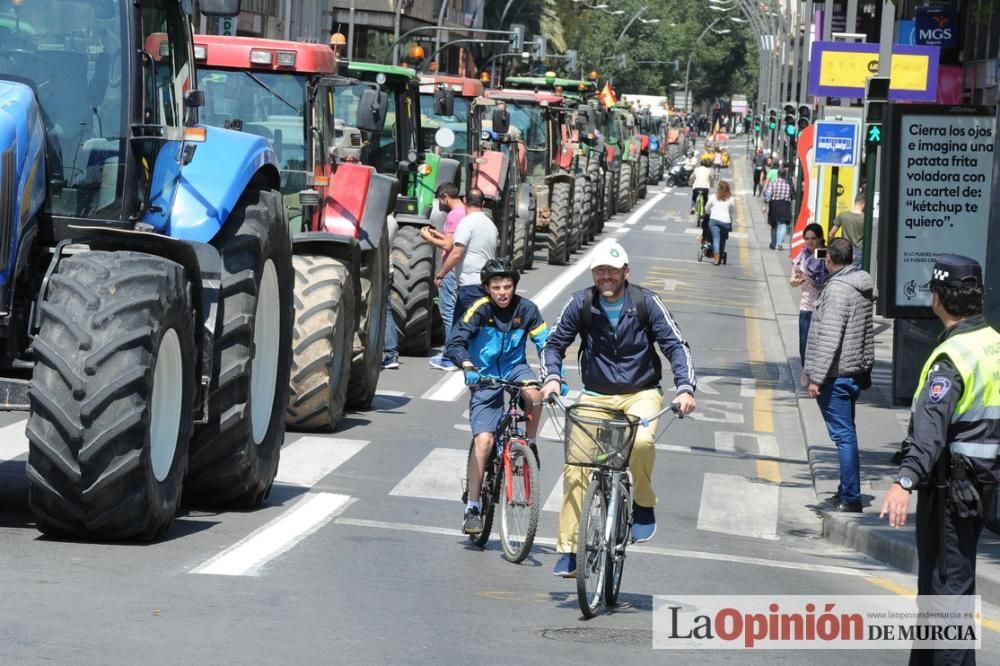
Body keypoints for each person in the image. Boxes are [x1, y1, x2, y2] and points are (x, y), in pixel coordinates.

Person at [541, 241, 697, 577]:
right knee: (576, 467)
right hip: (596, 395)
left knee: (641, 443)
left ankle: (642, 502)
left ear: (626, 272)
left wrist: (685, 387)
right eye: (600, 272)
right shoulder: (581, 303)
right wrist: (552, 377)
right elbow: (554, 343)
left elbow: (675, 345)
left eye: (612, 271)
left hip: (641, 393)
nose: (606, 277)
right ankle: (570, 549)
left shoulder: (646, 302)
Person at [880, 255, 999, 666]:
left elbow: (930, 432)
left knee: (943, 596)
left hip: (950, 491)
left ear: (940, 298)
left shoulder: (953, 358)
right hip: (980, 487)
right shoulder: (992, 343)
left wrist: (904, 481)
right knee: (953, 594)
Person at [446, 258, 548, 534]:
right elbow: (455, 343)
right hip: (484, 373)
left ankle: (531, 442)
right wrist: (467, 366)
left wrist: (553, 375)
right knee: (484, 441)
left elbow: (545, 343)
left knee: (535, 395)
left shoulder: (527, 310)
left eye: (507, 286)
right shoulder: (478, 309)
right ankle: (473, 507)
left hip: (516, 368)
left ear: (515, 286)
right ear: (487, 288)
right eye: (496, 287)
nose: (503, 292)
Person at [804, 238, 875, 513]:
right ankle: (845, 490)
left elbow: (829, 338)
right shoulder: (861, 284)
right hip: (854, 371)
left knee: (844, 437)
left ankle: (851, 498)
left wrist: (816, 378)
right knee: (848, 434)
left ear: (829, 260)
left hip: (836, 375)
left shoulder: (836, 290)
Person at [435, 187, 497, 339]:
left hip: (470, 283)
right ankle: (452, 354)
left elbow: (456, 253)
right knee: (461, 324)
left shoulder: (466, 223)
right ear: (482, 203)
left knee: (469, 327)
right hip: (485, 282)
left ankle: (460, 357)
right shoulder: (491, 225)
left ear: (464, 201)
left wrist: (440, 274)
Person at [421, 183, 466, 371]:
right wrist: (437, 234)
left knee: (448, 313)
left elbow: (448, 246)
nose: (441, 203)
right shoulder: (465, 212)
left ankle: (449, 354)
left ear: (445, 197)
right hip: (461, 270)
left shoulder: (453, 215)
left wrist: (428, 238)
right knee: (458, 314)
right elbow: (454, 240)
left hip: (449, 270)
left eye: (441, 199)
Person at [790, 223, 829, 369]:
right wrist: (796, 281)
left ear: (820, 239)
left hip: (823, 307)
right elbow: (792, 281)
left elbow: (829, 267)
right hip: (806, 306)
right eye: (807, 238)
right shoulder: (801, 257)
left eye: (813, 238)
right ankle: (806, 371)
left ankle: (817, 375)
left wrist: (820, 255)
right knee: (804, 344)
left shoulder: (826, 255)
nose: (810, 241)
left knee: (821, 345)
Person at [382, 214, 401, 369]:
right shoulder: (392, 220)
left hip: (382, 270)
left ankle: (390, 352)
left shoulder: (385, 220)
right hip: (388, 269)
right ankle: (390, 353)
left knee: (384, 310)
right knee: (385, 310)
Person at [829, 192, 866, 269]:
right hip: (860, 251)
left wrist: (834, 246)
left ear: (855, 201)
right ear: (864, 203)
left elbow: (831, 233)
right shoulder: (866, 218)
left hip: (845, 250)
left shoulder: (843, 215)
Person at [705, 180, 736, 266]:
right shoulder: (731, 199)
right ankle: (721, 255)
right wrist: (728, 214)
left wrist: (709, 213)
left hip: (714, 221)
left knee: (716, 239)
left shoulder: (713, 197)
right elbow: (732, 211)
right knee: (723, 239)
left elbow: (707, 209)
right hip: (725, 222)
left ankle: (716, 259)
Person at [764, 167, 794, 250]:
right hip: (785, 205)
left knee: (774, 225)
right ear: (785, 175)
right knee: (783, 224)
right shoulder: (788, 184)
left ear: (778, 175)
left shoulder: (773, 183)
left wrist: (766, 202)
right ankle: (780, 244)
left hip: (774, 205)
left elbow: (768, 194)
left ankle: (773, 244)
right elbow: (792, 195)